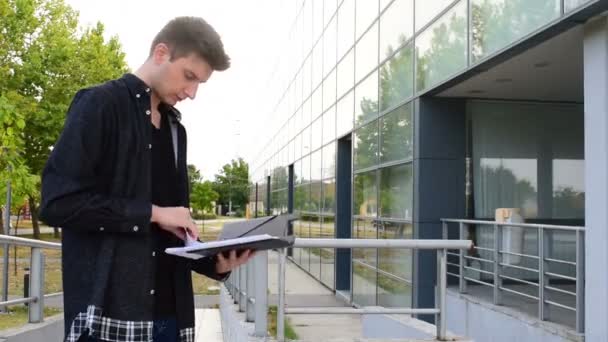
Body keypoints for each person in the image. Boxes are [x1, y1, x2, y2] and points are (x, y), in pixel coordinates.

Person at [39, 16, 254, 342]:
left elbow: (168, 235)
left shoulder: (176, 131)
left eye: (200, 84)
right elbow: (58, 203)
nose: (192, 93)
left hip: (172, 319)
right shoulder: (99, 105)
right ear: (160, 53)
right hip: (109, 320)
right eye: (189, 76)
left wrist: (217, 264)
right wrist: (153, 213)